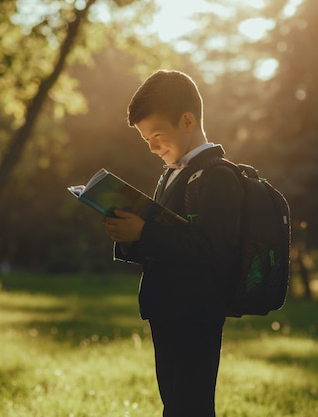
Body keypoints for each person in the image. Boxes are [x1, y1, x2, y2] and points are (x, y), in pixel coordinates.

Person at [103, 69, 243, 417]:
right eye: (146, 140)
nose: (153, 147)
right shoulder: (170, 175)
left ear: (187, 120)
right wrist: (130, 235)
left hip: (196, 311)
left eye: (157, 135)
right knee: (174, 404)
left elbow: (212, 247)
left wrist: (144, 233)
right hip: (167, 309)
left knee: (191, 406)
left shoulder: (218, 176)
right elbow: (167, 240)